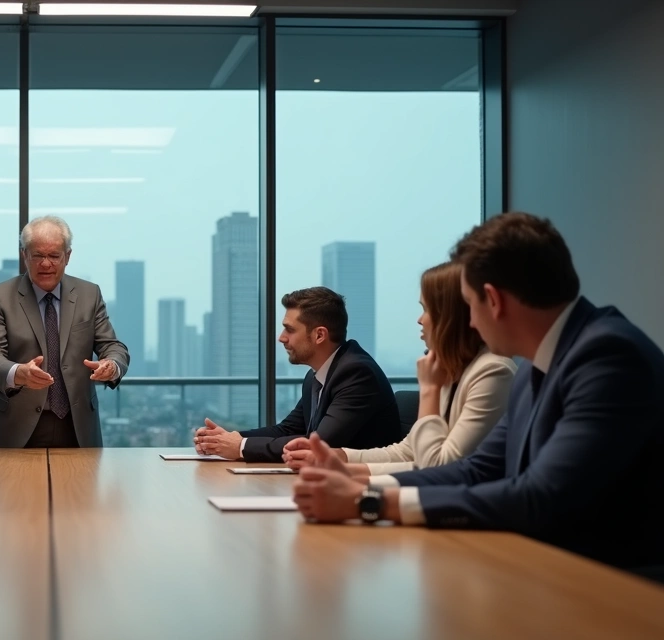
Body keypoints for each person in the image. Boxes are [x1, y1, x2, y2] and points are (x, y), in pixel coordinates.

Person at [292, 212, 664, 572]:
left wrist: (367, 502)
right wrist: (358, 483)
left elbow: (541, 496)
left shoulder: (607, 356)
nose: (468, 321)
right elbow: (478, 469)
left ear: (494, 300)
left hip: (612, 585)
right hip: (544, 567)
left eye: (470, 305)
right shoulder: (537, 366)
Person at [283, 262, 516, 475]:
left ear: (451, 317)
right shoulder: (454, 370)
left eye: (426, 309)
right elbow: (408, 452)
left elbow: (439, 468)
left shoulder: (492, 372)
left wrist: (429, 390)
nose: (420, 320)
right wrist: (340, 457)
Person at [194, 287, 401, 462]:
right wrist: (227, 438)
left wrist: (241, 446)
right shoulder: (317, 375)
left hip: (361, 489)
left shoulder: (357, 373)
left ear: (319, 335)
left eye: (289, 330)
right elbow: (288, 430)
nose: (281, 338)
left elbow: (318, 444)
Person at [0, 216, 130, 448]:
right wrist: (18, 373)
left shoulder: (89, 295)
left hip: (77, 428)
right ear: (24, 255)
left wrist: (111, 365)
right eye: (37, 255)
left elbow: (113, 346)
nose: (45, 264)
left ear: (67, 256)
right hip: (12, 428)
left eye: (54, 256)